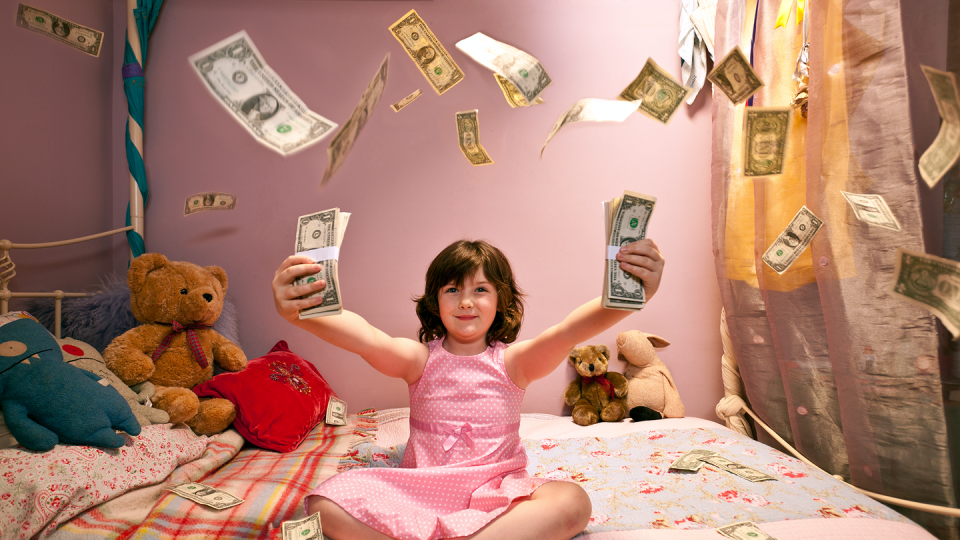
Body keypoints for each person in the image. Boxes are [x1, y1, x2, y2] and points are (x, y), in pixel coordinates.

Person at [271, 238, 664, 540]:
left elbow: (567, 333)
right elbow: (366, 339)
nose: (466, 302)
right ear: (435, 301)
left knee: (572, 501)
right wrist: (304, 314)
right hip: (422, 490)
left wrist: (630, 296)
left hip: (497, 492)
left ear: (500, 301)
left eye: (480, 290)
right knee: (323, 501)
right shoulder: (418, 360)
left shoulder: (514, 362)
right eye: (452, 290)